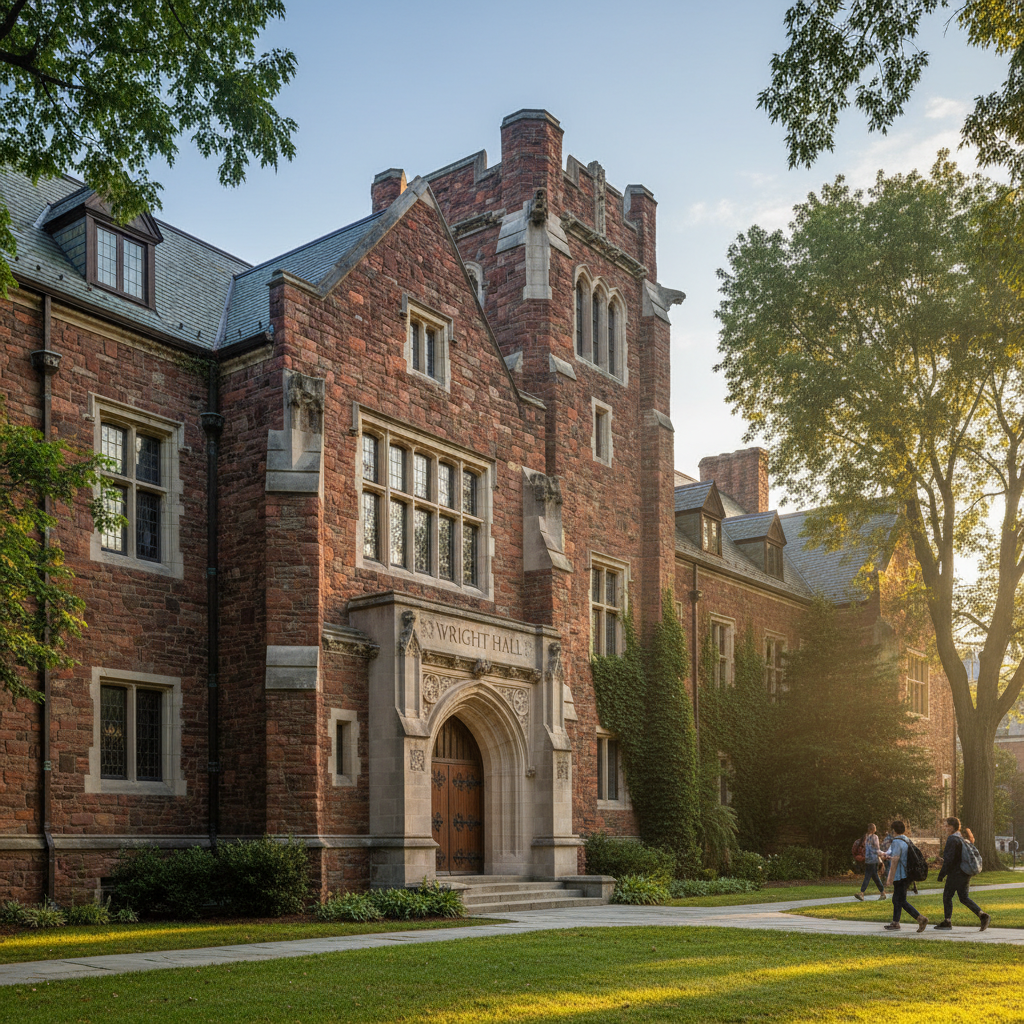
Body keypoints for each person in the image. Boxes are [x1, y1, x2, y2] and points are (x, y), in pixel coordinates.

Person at [934, 817, 990, 931]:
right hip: (965, 872)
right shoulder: (961, 838)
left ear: (951, 827)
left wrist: (942, 874)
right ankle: (982, 915)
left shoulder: (952, 839)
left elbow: (949, 860)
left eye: (946, 825)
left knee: (947, 896)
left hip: (956, 873)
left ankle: (947, 921)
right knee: (964, 897)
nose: (944, 827)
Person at [882, 820, 928, 932]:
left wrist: (889, 879)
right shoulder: (906, 839)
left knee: (901, 900)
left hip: (900, 875)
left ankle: (920, 918)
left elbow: (895, 860)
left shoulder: (896, 841)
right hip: (908, 874)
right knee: (896, 899)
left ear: (893, 830)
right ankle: (895, 922)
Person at [853, 823, 887, 901]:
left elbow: (876, 850)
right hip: (870, 860)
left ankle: (862, 893)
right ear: (873, 829)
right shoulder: (872, 837)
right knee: (875, 877)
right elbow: (876, 849)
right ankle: (882, 893)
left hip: (871, 860)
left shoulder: (869, 837)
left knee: (868, 877)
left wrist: (882, 855)